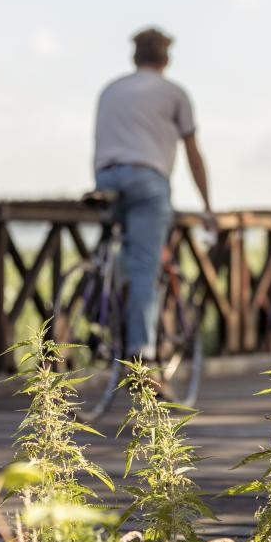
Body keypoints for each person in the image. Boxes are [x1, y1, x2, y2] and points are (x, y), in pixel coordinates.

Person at [93, 27, 215, 361]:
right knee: (146, 265)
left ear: (134, 56)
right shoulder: (174, 93)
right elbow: (193, 154)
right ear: (166, 58)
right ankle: (141, 356)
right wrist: (207, 205)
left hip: (105, 178)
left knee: (113, 247)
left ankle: (95, 299)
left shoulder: (110, 90)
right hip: (147, 180)